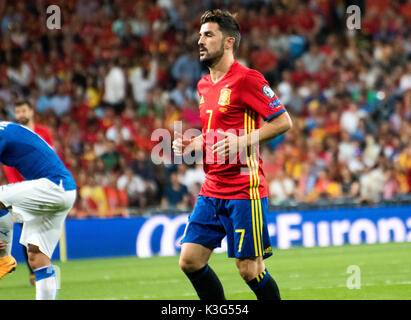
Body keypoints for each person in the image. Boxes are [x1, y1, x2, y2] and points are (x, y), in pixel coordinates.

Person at [173, 9, 292, 300]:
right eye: (200, 35)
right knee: (189, 260)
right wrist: (195, 143)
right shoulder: (203, 85)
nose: (200, 40)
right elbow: (216, 132)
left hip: (244, 188)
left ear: (228, 42)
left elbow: (283, 121)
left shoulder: (247, 79)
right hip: (212, 187)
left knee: (248, 269)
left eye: (208, 35)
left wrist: (242, 142)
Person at [0, 122, 76, 300]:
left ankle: (3, 259)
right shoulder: (5, 128)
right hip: (63, 189)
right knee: (36, 255)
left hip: (54, 186)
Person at [2, 98, 54, 286]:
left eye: (24, 111)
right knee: (28, 233)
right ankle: (35, 273)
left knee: (43, 232)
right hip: (24, 191)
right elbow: (8, 165)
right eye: (18, 112)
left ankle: (42, 269)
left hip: (44, 189)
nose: (21, 115)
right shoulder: (13, 135)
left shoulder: (44, 133)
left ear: (32, 112)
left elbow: (50, 159)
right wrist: (17, 188)